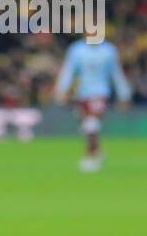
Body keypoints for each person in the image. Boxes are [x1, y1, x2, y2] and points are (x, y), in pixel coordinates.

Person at [52, 36, 131, 172]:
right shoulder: (76, 49)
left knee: (91, 121)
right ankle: (97, 150)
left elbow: (116, 72)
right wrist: (61, 89)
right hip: (82, 93)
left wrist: (124, 94)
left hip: (100, 92)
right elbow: (69, 70)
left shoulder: (108, 50)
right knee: (86, 126)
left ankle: (90, 156)